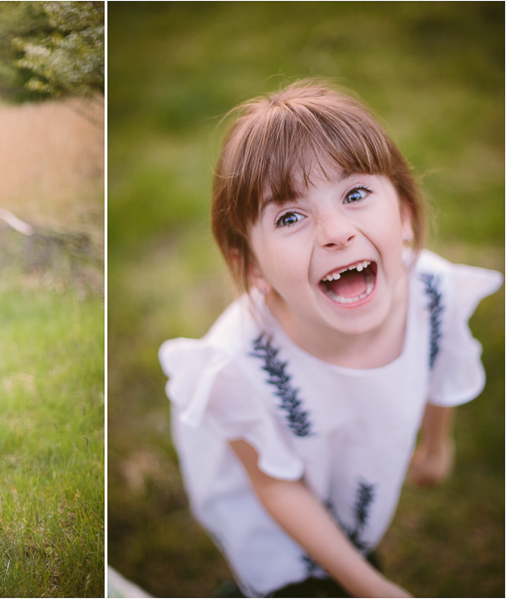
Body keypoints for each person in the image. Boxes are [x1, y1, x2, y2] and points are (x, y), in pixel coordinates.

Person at [159, 80, 501, 597]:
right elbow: (277, 487)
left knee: (355, 537)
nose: (336, 231)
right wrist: (371, 587)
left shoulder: (433, 290)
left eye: (356, 193)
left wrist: (436, 445)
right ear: (250, 264)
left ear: (404, 214)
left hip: (354, 471)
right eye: (290, 216)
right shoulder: (238, 366)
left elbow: (441, 366)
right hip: (275, 521)